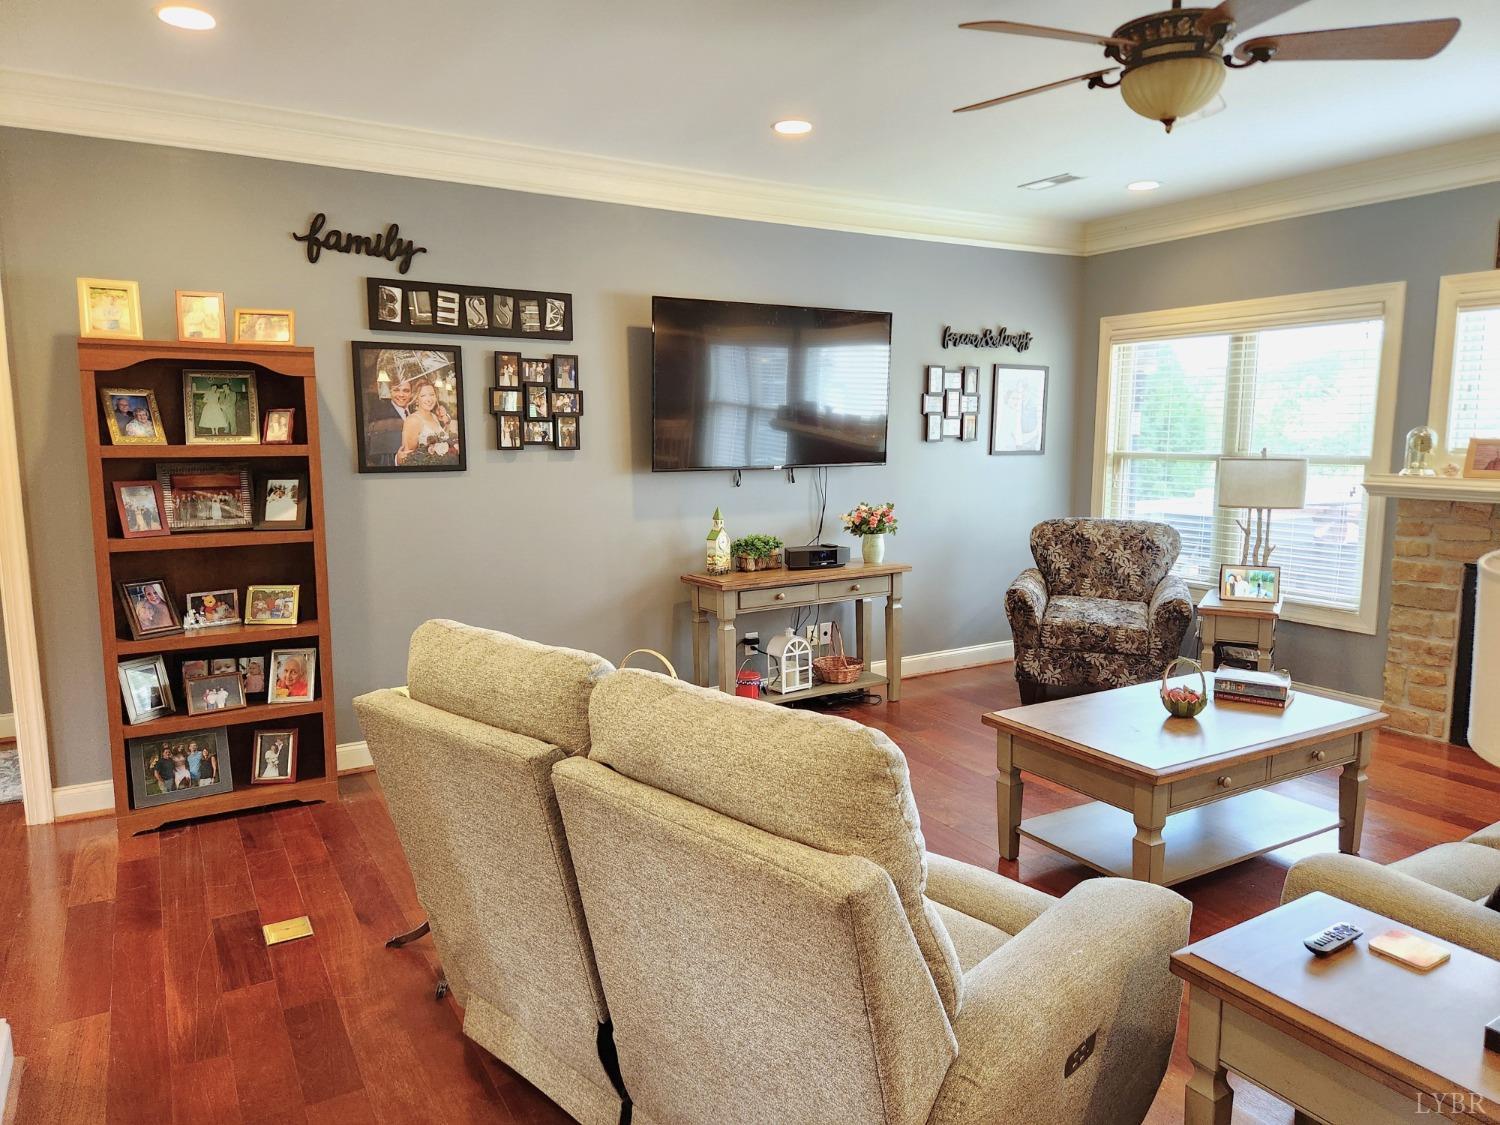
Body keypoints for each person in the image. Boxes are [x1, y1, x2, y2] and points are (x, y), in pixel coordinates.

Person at [396, 380, 458, 465]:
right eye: (423, 395)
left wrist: (446, 422)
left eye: (432, 395)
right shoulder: (413, 421)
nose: (429, 399)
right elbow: (408, 458)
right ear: (417, 399)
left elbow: (444, 439)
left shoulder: (434, 416)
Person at [366, 378, 415, 466]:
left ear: (411, 393)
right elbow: (376, 450)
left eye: (406, 391)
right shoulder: (380, 414)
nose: (401, 394)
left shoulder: (415, 411)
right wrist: (396, 461)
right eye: (396, 390)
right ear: (390, 391)